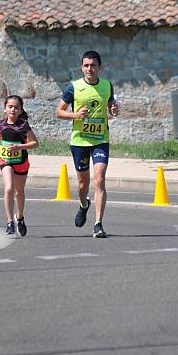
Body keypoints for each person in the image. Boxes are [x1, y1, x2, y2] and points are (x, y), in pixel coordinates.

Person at [56, 50, 119, 238]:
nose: (89, 69)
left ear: (100, 67)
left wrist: (114, 109)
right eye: (86, 65)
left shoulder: (107, 86)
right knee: (83, 185)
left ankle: (98, 224)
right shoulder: (74, 87)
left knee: (99, 179)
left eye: (93, 65)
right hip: (80, 141)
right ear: (81, 67)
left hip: (101, 140)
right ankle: (84, 204)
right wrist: (75, 115)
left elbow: (111, 105)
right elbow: (59, 112)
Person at [0, 95, 39, 236]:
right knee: (9, 188)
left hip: (21, 162)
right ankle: (10, 221)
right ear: (5, 109)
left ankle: (20, 217)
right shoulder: (1, 124)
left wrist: (20, 147)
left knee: (19, 192)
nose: (13, 109)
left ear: (21, 110)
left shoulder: (23, 125)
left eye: (16, 107)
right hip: (6, 160)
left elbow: (35, 143)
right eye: (10, 106)